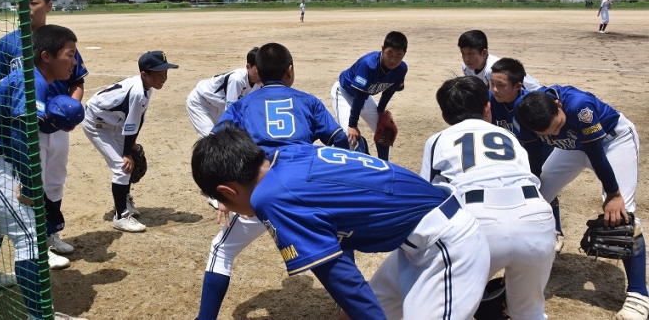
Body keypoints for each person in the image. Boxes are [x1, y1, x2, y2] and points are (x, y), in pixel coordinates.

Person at [191, 126, 491, 320]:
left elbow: (338, 274)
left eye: (228, 204)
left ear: (228, 191)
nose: (241, 214)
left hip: (447, 245)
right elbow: (336, 238)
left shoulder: (270, 197)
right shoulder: (288, 154)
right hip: (420, 240)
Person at [195, 42, 351, 320]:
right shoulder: (309, 101)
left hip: (262, 191)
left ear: (258, 72)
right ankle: (350, 305)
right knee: (334, 242)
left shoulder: (243, 105)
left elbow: (217, 147)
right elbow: (339, 142)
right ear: (289, 71)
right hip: (305, 188)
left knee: (222, 249)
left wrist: (224, 197)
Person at [0, 24, 87, 320]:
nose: (74, 62)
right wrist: (30, 182)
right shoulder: (31, 81)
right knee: (29, 231)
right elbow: (22, 133)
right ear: (46, 56)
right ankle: (40, 316)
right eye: (69, 54)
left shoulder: (34, 79)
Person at [421, 76, 555, 319]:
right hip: (537, 219)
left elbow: (428, 196)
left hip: (479, 223)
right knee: (530, 313)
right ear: (487, 108)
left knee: (449, 308)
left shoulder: (438, 139)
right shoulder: (509, 137)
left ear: (445, 116)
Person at [0, 0, 88, 270]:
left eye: (32, 2)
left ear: (48, 6)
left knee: (55, 181)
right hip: (25, 128)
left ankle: (51, 235)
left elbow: (77, 81)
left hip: (58, 127)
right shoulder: (7, 44)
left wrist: (72, 110)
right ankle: (37, 242)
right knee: (29, 184)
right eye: (20, 3)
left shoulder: (62, 42)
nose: (24, 8)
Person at [515, 86, 649, 320]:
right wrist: (536, 181)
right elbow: (534, 151)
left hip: (612, 140)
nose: (555, 131)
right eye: (548, 132)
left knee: (622, 216)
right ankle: (537, 256)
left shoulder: (579, 106)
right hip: (572, 146)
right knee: (535, 201)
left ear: (557, 105)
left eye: (557, 124)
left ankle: (639, 294)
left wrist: (613, 194)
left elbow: (595, 152)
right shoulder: (525, 111)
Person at [82, 51, 178, 233]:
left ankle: (124, 200)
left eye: (165, 73)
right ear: (144, 74)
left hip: (114, 122)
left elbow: (137, 120)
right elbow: (132, 124)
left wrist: (131, 146)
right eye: (159, 74)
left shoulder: (146, 87)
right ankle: (121, 217)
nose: (164, 78)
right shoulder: (137, 92)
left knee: (129, 161)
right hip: (96, 124)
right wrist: (126, 153)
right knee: (122, 166)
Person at [489, 57, 564, 252]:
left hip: (539, 152)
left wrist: (535, 175)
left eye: (501, 85)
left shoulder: (527, 106)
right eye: (492, 83)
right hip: (514, 153)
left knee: (542, 190)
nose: (495, 89)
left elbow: (534, 148)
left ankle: (555, 230)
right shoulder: (491, 101)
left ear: (518, 86)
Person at [331, 31, 408, 161]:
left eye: (398, 55)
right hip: (344, 93)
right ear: (382, 49)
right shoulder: (368, 64)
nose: (393, 60)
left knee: (384, 130)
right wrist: (352, 124)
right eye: (389, 54)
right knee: (350, 136)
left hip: (364, 96)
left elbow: (390, 90)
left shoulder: (401, 69)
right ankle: (362, 160)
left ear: (404, 54)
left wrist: (381, 110)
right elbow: (359, 95)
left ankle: (384, 165)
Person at [186, 47, 261, 138]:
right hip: (201, 103)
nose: (262, 74)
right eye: (258, 70)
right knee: (214, 140)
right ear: (248, 67)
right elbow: (230, 112)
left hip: (220, 107)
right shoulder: (237, 80)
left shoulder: (261, 81)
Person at [458, 30, 540, 90]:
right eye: (463, 53)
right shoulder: (466, 67)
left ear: (484, 53)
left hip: (532, 93)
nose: (466, 59)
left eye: (471, 53)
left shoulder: (493, 69)